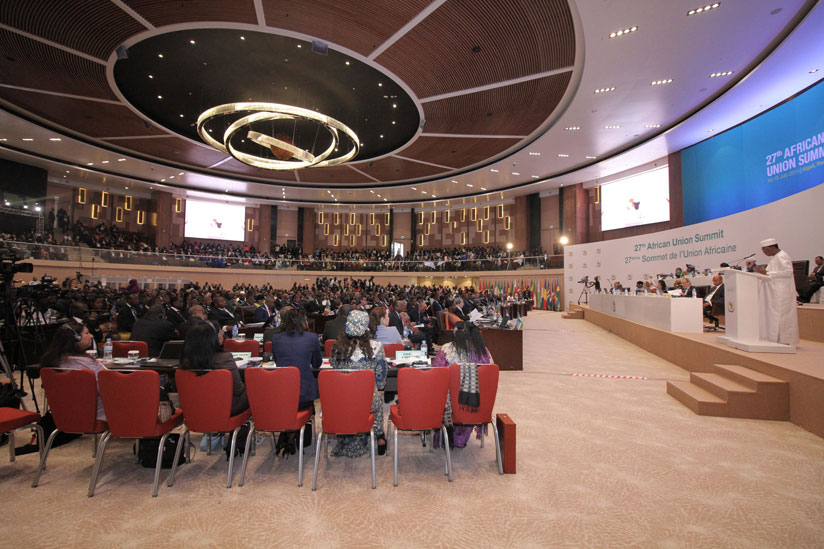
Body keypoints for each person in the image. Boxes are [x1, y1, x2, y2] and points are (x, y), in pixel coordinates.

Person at [329, 310, 388, 457]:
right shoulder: (377, 347)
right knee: (376, 400)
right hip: (367, 402)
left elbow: (334, 368)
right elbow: (381, 379)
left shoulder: (337, 348)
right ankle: (379, 436)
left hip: (341, 401)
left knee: (359, 401)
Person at [431, 321, 494, 448]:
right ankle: (460, 437)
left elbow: (435, 374)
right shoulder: (484, 352)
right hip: (478, 402)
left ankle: (445, 433)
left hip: (452, 405)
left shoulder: (447, 349)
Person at [269, 308, 321, 457]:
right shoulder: (311, 338)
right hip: (304, 394)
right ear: (303, 321)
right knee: (306, 406)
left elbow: (278, 362)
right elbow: (316, 364)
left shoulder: (276, 339)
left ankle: (289, 435)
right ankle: (298, 439)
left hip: (282, 392)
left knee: (291, 405)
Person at [40, 321, 106, 420]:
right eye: (87, 333)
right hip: (97, 414)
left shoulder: (52, 361)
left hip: (65, 415)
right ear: (76, 338)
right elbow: (106, 388)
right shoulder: (85, 363)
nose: (91, 336)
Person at [180, 322, 249, 416]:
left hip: (194, 407)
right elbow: (238, 390)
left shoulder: (184, 363)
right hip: (227, 408)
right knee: (256, 388)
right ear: (212, 339)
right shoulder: (224, 358)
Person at [754, 238, 799, 345]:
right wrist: (764, 273)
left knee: (782, 316)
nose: (764, 253)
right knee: (775, 316)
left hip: (782, 291)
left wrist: (767, 273)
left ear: (771, 247)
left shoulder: (782, 256)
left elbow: (788, 272)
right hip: (775, 291)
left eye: (764, 250)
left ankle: (785, 339)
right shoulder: (775, 257)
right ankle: (776, 339)